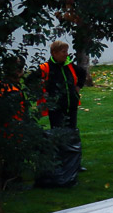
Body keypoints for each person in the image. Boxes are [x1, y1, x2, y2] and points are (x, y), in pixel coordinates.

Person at [32, 40, 88, 185]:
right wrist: (41, 94)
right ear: (54, 53)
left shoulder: (69, 66)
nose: (66, 54)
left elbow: (82, 73)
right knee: (58, 134)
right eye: (63, 51)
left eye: (66, 51)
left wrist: (78, 87)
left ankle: (74, 163)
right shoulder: (46, 68)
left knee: (72, 133)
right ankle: (59, 164)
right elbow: (30, 80)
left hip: (71, 106)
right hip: (56, 108)